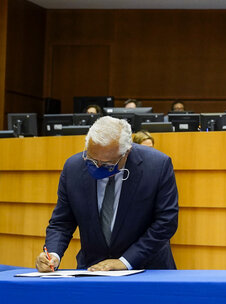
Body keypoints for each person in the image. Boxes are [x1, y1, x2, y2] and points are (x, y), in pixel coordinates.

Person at [35, 116, 178, 272]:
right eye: (92, 159)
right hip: (93, 270)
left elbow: (166, 222)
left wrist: (125, 261)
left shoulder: (157, 166)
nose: (98, 166)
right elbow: (62, 222)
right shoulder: (73, 168)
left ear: (126, 152)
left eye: (108, 163)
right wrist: (53, 254)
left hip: (147, 269)